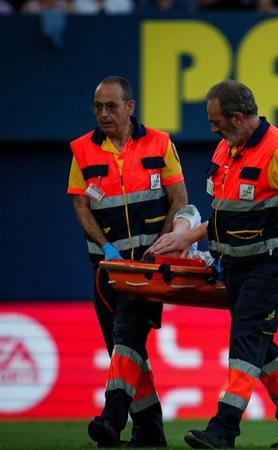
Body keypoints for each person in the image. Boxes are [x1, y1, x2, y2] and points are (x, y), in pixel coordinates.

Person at [148, 80, 278, 449]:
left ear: (239, 118)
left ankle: (224, 427)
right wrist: (213, 248)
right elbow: (226, 211)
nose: (212, 129)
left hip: (269, 264)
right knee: (261, 343)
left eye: (217, 121)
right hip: (238, 264)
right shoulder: (228, 148)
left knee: (245, 341)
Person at [67, 76, 188, 447]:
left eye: (111, 106)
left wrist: (160, 247)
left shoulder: (160, 144)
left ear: (129, 107)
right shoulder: (83, 150)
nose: (104, 114)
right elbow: (80, 205)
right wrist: (106, 247)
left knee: (126, 337)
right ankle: (150, 430)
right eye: (98, 107)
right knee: (125, 350)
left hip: (146, 270)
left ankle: (112, 418)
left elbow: (179, 200)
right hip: (107, 267)